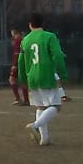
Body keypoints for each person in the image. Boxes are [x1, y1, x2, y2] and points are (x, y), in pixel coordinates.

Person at [17, 13, 67, 146]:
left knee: (40, 107)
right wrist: (62, 72)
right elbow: (57, 55)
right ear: (42, 23)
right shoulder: (49, 36)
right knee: (56, 106)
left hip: (32, 76)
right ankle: (35, 125)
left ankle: (44, 139)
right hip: (46, 74)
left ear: (30, 25)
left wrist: (22, 78)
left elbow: (20, 61)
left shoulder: (25, 40)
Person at [8, 29, 28, 106]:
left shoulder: (18, 40)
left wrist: (14, 64)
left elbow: (17, 53)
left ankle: (19, 99)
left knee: (12, 79)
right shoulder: (23, 40)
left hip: (19, 63)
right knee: (22, 80)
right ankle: (25, 99)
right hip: (23, 62)